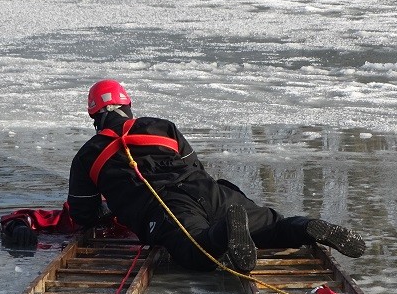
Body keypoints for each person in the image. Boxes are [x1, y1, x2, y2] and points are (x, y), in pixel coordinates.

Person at [56, 79, 366, 273]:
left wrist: (113, 208)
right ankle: (307, 227)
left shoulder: (87, 156)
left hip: (166, 207)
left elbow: (84, 215)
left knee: (196, 253)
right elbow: (196, 167)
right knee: (272, 227)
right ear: (128, 106)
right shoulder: (162, 127)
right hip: (208, 189)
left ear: (94, 116)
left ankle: (225, 232)